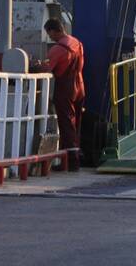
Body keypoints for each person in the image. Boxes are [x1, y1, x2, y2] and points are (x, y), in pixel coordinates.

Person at [33, 18, 85, 171]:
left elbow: (47, 68)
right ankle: (71, 159)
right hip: (80, 85)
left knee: (66, 124)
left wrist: (35, 66)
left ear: (53, 31)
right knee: (76, 124)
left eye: (49, 34)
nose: (50, 38)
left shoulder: (57, 49)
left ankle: (71, 163)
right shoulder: (76, 43)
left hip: (66, 89)